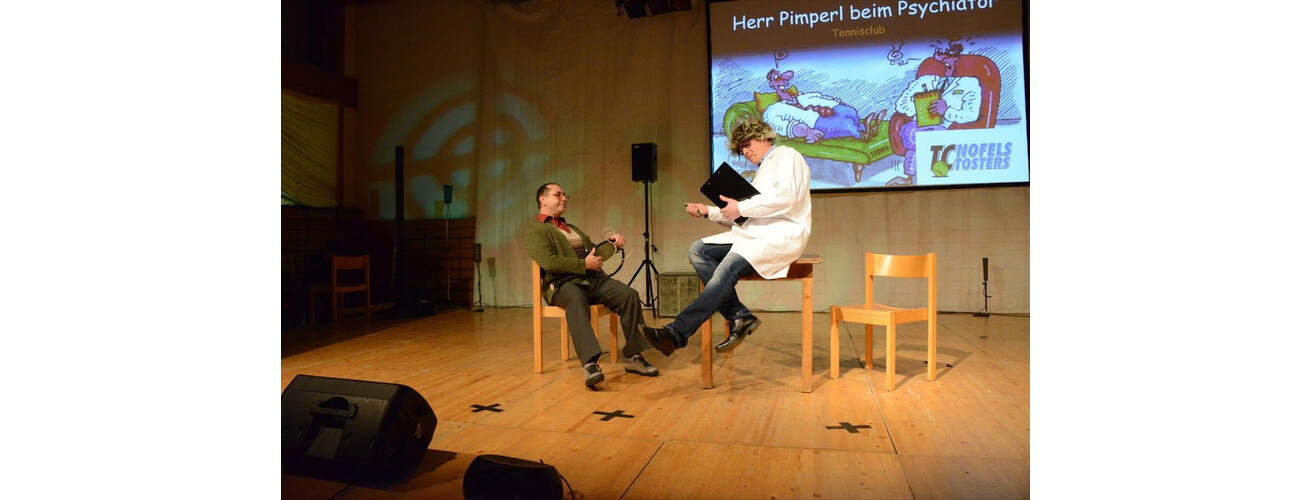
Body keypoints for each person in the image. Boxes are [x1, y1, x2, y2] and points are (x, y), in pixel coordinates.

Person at [639, 117, 812, 356]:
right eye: (741, 149)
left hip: (781, 235)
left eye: (747, 144)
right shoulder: (762, 171)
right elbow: (746, 217)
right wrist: (708, 211)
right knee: (698, 250)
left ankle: (676, 333)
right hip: (755, 235)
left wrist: (740, 207)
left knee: (726, 267)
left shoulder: (787, 156)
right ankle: (739, 315)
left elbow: (787, 197)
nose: (745, 151)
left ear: (763, 136)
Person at [524, 183, 659, 388]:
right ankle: (590, 364)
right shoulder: (537, 230)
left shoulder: (572, 228)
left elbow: (594, 254)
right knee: (575, 298)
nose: (564, 198)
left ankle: (634, 356)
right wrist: (583, 265)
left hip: (592, 281)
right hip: (563, 285)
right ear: (543, 199)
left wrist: (612, 244)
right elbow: (549, 262)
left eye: (565, 195)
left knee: (628, 294)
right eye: (558, 195)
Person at [886, 43, 981, 186]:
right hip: (917, 125)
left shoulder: (970, 84)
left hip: (946, 128)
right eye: (941, 57)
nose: (945, 62)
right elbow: (901, 104)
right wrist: (919, 106)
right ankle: (912, 178)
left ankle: (912, 178)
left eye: (950, 57)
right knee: (912, 133)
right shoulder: (925, 81)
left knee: (916, 137)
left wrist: (946, 111)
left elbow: (971, 114)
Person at [761, 68, 879, 143]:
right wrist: (806, 131)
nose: (783, 79)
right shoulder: (774, 109)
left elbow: (821, 98)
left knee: (850, 112)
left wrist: (836, 104)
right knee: (845, 124)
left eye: (782, 76)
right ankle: (862, 135)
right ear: (771, 84)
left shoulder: (802, 98)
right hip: (815, 123)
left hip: (827, 113)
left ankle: (866, 128)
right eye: (777, 78)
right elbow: (777, 124)